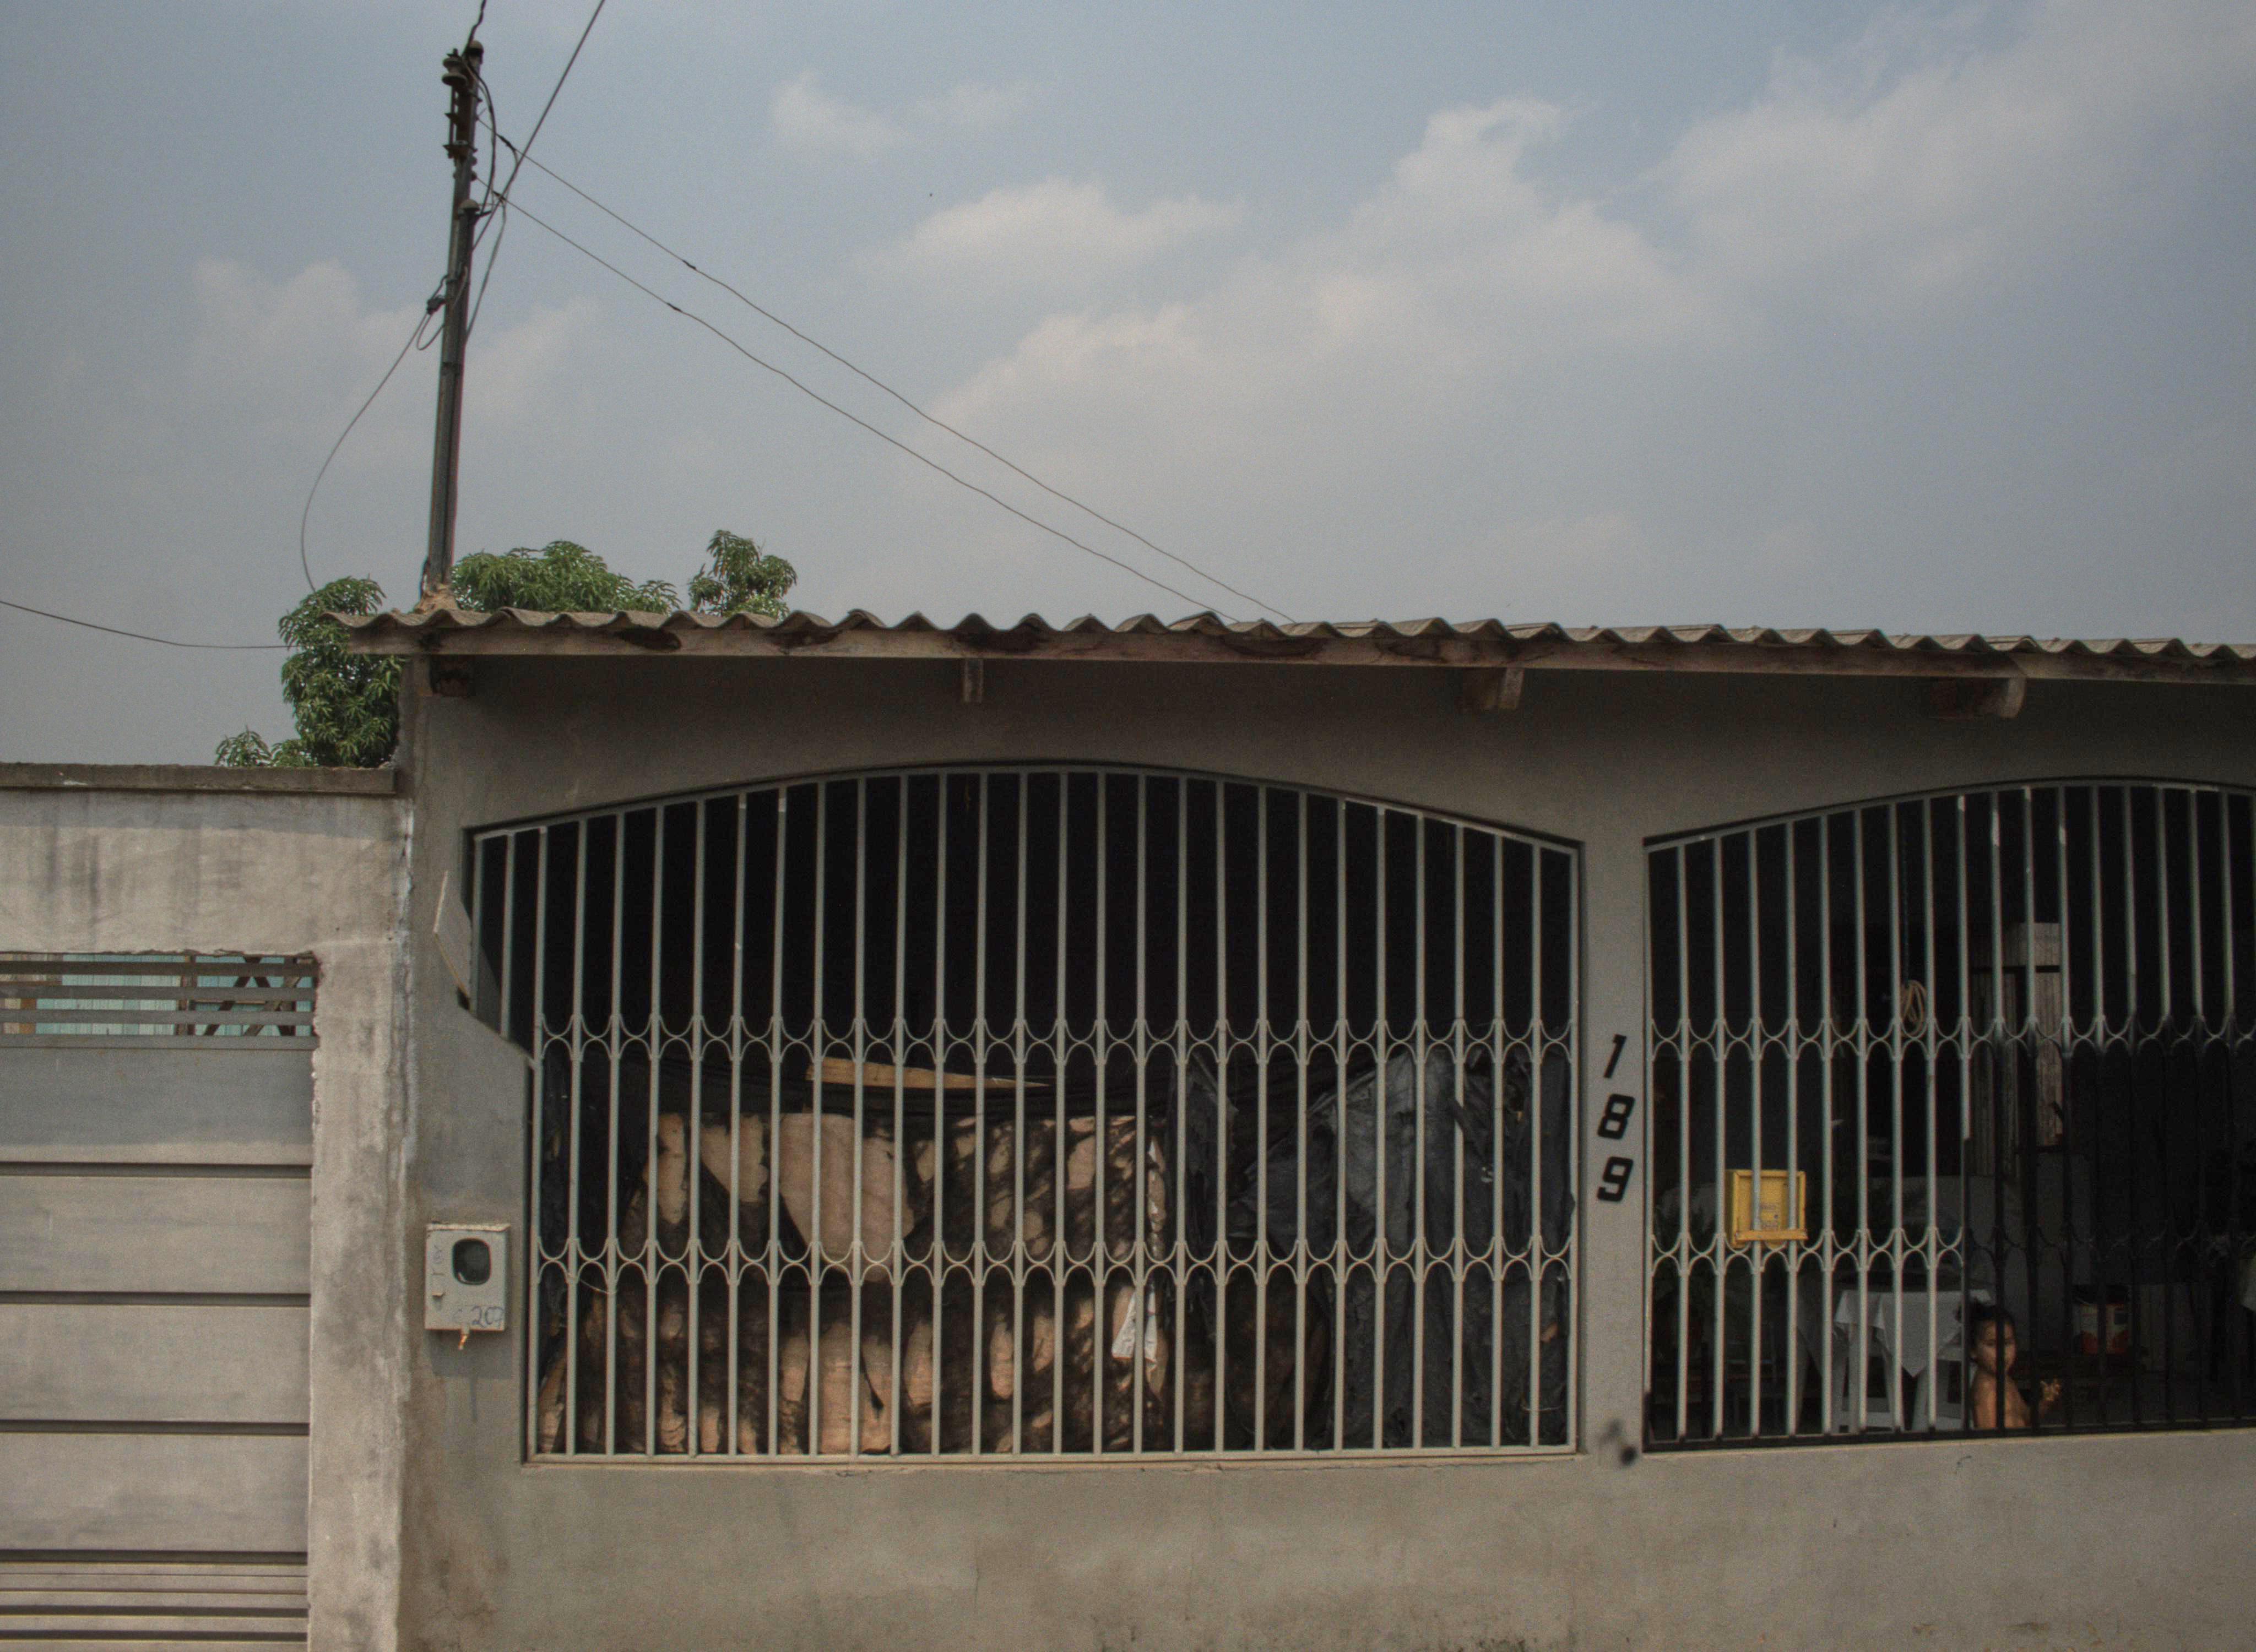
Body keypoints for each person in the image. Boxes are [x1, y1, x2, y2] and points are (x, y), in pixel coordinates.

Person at [1968, 1305, 2059, 1429]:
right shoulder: (1985, 1388)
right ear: (1973, 1350)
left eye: (2007, 1343)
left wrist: (2046, 1402)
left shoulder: (2005, 1380)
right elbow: (1988, 1436)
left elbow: (2027, 1418)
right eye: (1992, 1344)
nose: (2002, 1353)